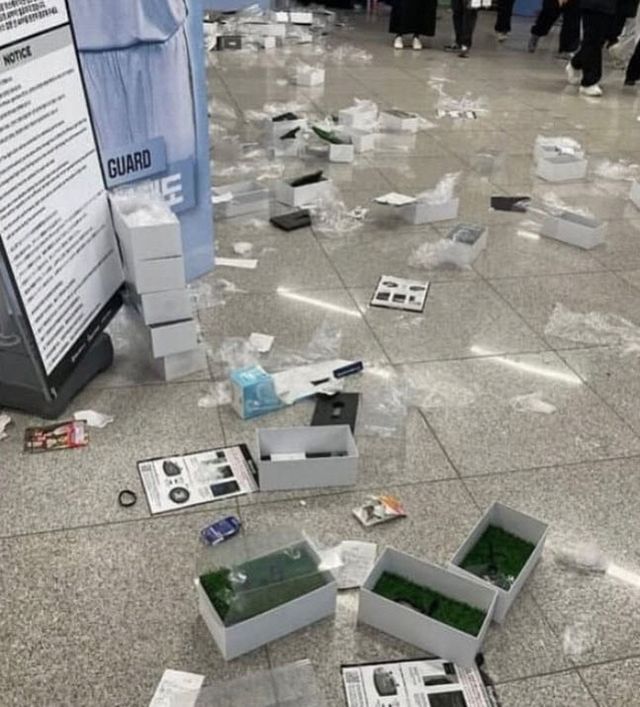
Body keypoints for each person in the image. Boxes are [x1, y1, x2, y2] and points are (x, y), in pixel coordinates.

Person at [566, 0, 617, 96]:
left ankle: (576, 62)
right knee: (593, 38)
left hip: (616, 6)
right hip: (595, 4)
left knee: (603, 38)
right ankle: (589, 82)